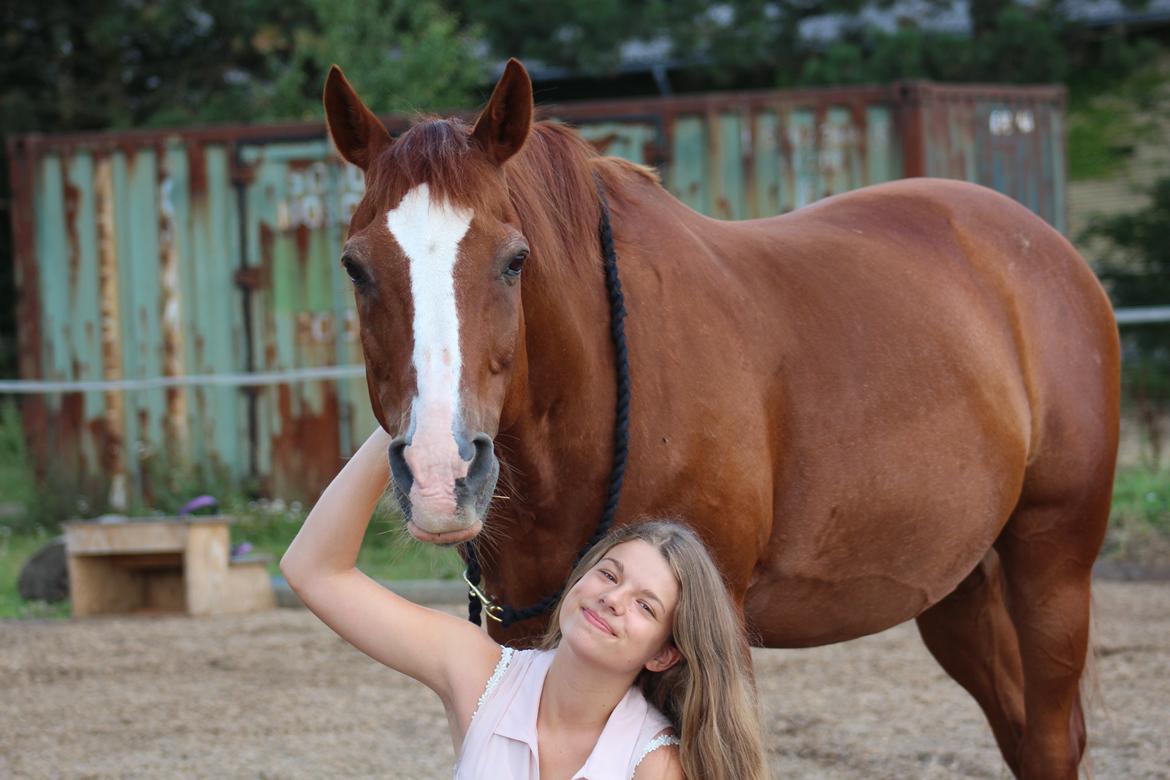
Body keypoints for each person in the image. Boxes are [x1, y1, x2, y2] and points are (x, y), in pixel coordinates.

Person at [281, 428, 767, 779]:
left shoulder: (656, 765)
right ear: (579, 581)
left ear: (663, 654)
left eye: (646, 606)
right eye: (608, 574)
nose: (613, 598)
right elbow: (314, 571)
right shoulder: (479, 673)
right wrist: (405, 422)